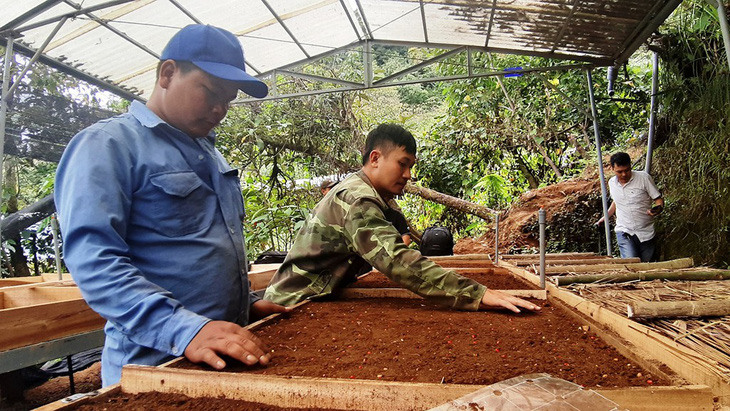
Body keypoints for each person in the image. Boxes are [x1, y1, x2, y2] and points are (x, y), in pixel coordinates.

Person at [54, 24, 289, 387]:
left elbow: (200, 250)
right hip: (152, 365)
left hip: (221, 355)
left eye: (228, 100)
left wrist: (244, 304)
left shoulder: (209, 154)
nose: (219, 108)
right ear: (167, 73)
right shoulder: (108, 146)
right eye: (210, 92)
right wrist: (185, 328)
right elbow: (94, 260)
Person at [264, 124, 540, 314]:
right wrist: (476, 294)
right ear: (375, 158)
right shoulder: (358, 199)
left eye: (411, 166)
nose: (408, 174)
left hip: (318, 298)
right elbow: (396, 260)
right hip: (292, 305)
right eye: (403, 163)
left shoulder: (371, 196)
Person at [596, 152, 664, 262]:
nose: (624, 174)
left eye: (627, 170)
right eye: (619, 171)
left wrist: (657, 209)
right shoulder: (612, 183)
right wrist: (605, 217)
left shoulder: (643, 178)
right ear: (612, 168)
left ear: (631, 166)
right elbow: (616, 202)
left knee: (647, 265)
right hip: (624, 230)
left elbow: (658, 199)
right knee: (631, 262)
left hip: (646, 231)